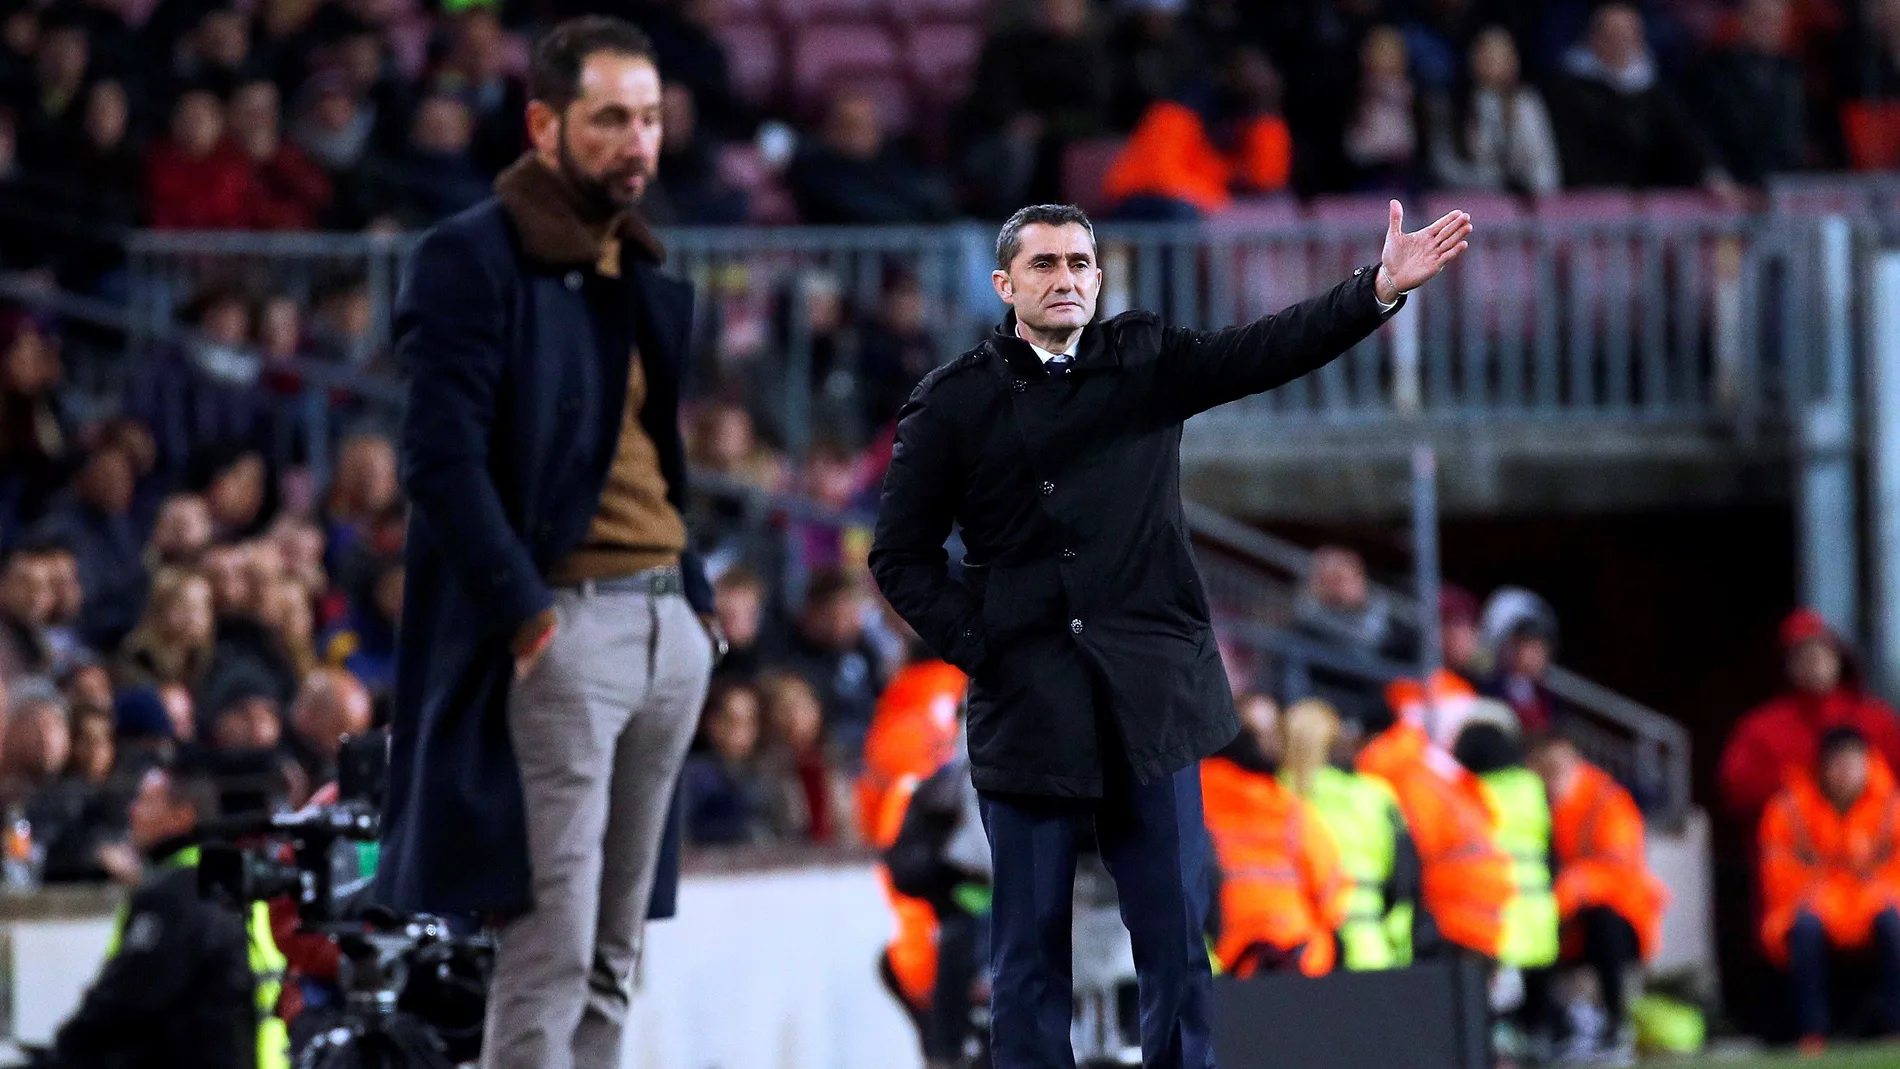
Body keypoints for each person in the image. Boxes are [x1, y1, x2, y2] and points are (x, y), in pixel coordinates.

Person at [870, 199, 1469, 1067]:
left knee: (1177, 942)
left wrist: (1374, 290)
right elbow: (899, 554)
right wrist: (983, 644)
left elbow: (1264, 350)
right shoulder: (953, 400)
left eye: (1080, 262)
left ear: (1099, 278)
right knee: (1027, 957)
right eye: (1044, 264)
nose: (1066, 278)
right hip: (1030, 700)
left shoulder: (1142, 356)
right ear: (1004, 284)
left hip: (1151, 693)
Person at [375, 19, 721, 1069]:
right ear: (543, 124)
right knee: (550, 951)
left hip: (664, 629)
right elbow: (439, 460)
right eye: (610, 118)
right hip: (566, 633)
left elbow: (651, 457)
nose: (637, 141)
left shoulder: (633, 260)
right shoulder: (472, 255)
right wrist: (526, 618)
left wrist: (695, 601)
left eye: (649, 119)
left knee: (614, 953)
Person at [48, 763, 289, 1069]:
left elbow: (121, 1003)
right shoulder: (233, 882)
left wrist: (63, 1052)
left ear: (181, 817)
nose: (133, 812)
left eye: (146, 802)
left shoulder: (176, 895)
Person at [1759, 727, 1900, 1050]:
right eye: (1836, 763)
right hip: (1816, 900)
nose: (1845, 772)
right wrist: (1828, 895)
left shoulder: (1892, 806)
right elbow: (1781, 874)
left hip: (1875, 898)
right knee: (1804, 927)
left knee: (1893, 923)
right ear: (1821, 767)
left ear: (1868, 763)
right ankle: (1813, 1032)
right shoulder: (1789, 808)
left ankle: (1896, 1026)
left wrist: (1870, 892)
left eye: (1853, 762)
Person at [1529, 732, 1666, 1063]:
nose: (1550, 778)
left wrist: (1561, 896)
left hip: (1617, 918)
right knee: (1531, 926)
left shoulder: (1607, 801)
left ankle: (1615, 1025)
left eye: (1556, 767)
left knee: (1605, 922)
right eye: (1542, 769)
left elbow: (1614, 871)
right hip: (1565, 920)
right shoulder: (1535, 805)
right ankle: (1544, 1029)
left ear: (1573, 762)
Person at [1200, 693, 1350, 978]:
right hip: (1299, 959)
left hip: (1226, 963)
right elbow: (1332, 890)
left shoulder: (1194, 799)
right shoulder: (1288, 808)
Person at [1720, 608, 1900, 832]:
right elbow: (1735, 792)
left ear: (1838, 656)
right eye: (1802, 654)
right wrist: (1801, 782)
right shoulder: (1759, 729)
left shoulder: (1878, 719)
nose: (1815, 660)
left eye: (1822, 650)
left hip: (1871, 849)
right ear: (1787, 664)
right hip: (1797, 849)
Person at [1281, 697, 1419, 971]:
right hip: (1370, 947)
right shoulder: (1376, 796)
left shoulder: (1276, 797)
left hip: (1299, 955)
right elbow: (1404, 882)